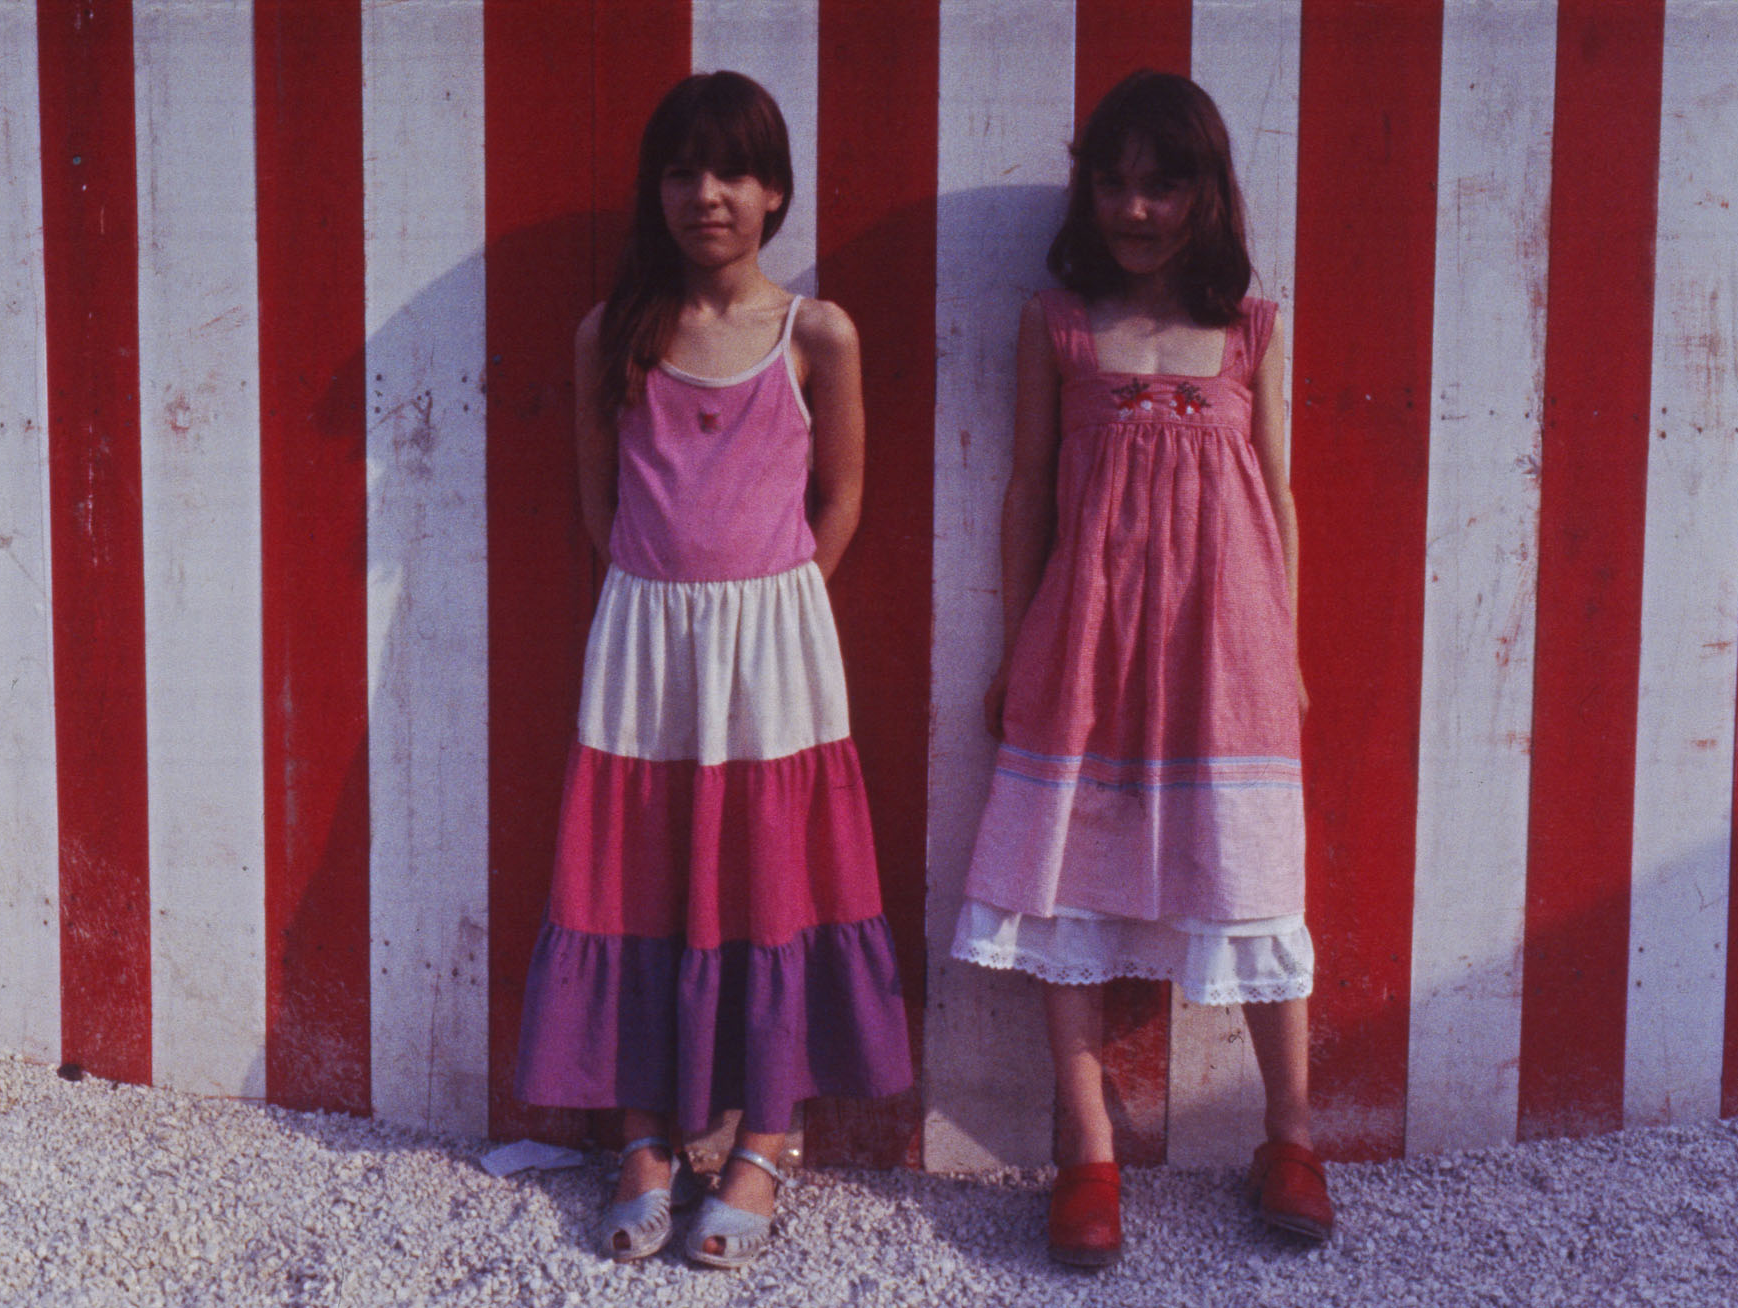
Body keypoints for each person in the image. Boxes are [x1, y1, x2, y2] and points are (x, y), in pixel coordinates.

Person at [509, 70, 911, 1270]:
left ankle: (766, 1139)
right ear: (657, 191)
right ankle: (638, 1135)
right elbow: (599, 502)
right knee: (633, 873)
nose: (706, 195)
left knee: (771, 874)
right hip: (644, 644)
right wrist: (671, 592)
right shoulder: (614, 334)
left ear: (775, 190)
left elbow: (839, 499)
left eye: (732, 171)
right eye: (681, 172)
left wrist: (767, 602)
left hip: (775, 653)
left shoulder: (815, 332)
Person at [954, 69, 1328, 1269]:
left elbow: (1278, 495)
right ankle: (1087, 1147)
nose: (1135, 207)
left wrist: (1293, 653)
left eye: (1161, 184)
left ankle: (1292, 1134)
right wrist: (1018, 650)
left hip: (1230, 651)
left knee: (1259, 879)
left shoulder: (1254, 329)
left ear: (1205, 193)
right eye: (1112, 183)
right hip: (1088, 641)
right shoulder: (1057, 326)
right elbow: (1024, 499)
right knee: (1060, 878)